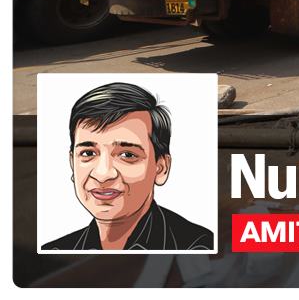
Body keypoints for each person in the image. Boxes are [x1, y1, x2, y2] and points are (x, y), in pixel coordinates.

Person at [42, 82, 213, 251]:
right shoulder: (54, 252)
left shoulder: (197, 247)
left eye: (127, 155)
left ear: (160, 168)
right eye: (88, 153)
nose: (103, 174)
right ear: (72, 163)